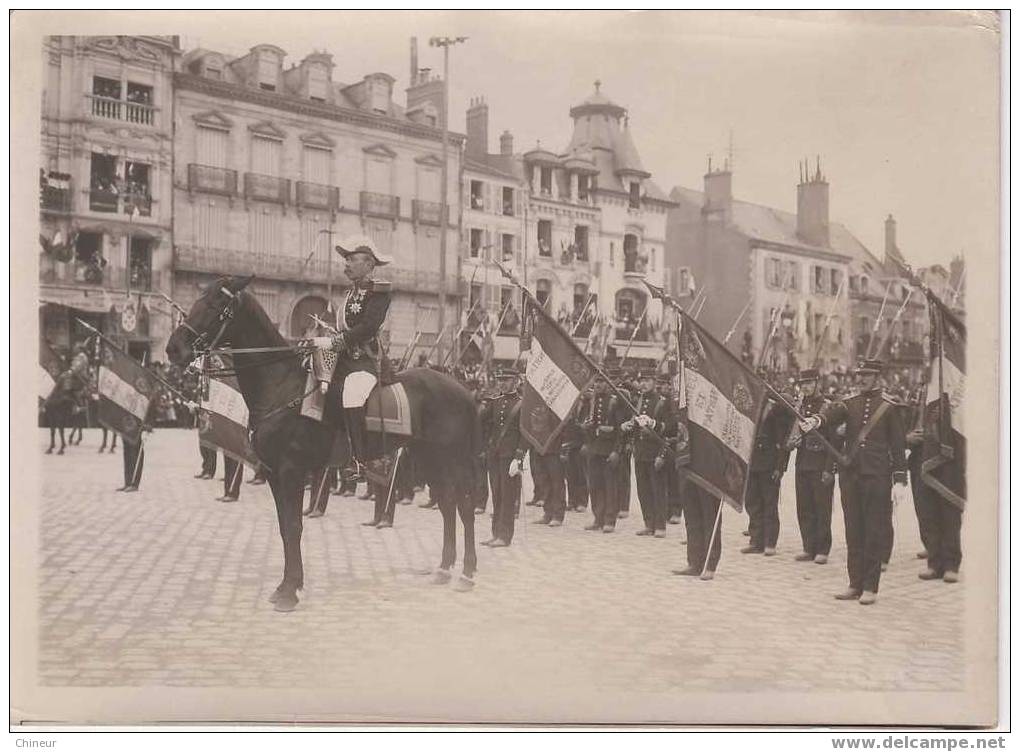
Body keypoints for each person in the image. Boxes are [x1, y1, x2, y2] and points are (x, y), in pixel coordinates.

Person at [800, 359, 908, 605]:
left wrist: (900, 479)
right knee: (853, 530)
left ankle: (870, 586)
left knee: (873, 530)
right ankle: (854, 583)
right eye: (860, 375)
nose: (862, 379)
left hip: (877, 476)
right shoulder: (850, 403)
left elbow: (898, 446)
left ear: (878, 377)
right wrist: (816, 420)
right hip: (852, 476)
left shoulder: (889, 407)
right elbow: (831, 414)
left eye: (867, 375)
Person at [315, 235, 392, 483]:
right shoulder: (350, 294)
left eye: (351, 260)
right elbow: (345, 328)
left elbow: (368, 327)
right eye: (345, 260)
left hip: (365, 361)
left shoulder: (379, 293)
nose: (346, 264)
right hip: (345, 361)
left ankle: (360, 461)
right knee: (314, 382)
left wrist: (338, 341)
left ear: (369, 265)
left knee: (352, 393)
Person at [789, 369, 838, 565]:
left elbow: (834, 441)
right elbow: (794, 434)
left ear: (818, 383)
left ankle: (822, 549)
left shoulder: (827, 408)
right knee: (804, 506)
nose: (806, 387)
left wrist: (829, 468)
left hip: (820, 464)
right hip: (803, 462)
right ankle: (808, 546)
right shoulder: (801, 407)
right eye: (803, 384)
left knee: (822, 507)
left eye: (809, 383)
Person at [622, 370, 676, 538]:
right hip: (640, 452)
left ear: (654, 382)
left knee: (658, 489)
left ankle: (660, 526)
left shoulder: (663, 402)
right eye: (641, 380)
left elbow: (670, 428)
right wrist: (627, 426)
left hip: (656, 452)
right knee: (643, 490)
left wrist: (653, 424)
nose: (643, 384)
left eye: (647, 380)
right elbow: (634, 424)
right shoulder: (637, 401)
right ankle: (649, 523)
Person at [479, 370, 527, 547]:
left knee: (508, 496)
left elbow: (525, 434)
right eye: (500, 380)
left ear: (515, 381)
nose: (502, 384)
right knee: (497, 494)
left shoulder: (522, 404)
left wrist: (519, 457)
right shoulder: (495, 402)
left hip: (510, 457)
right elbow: (480, 421)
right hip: (495, 454)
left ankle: (505, 535)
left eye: (506, 380)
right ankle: (496, 533)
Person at [742, 396, 793, 556]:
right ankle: (756, 540)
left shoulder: (777, 408)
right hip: (753, 461)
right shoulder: (752, 405)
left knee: (769, 502)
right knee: (752, 502)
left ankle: (770, 541)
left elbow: (782, 441)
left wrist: (780, 466)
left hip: (770, 462)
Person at [580, 377, 628, 533]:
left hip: (609, 450)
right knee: (595, 485)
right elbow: (589, 423)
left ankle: (609, 520)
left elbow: (621, 430)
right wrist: (587, 441)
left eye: (601, 382)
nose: (598, 385)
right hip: (595, 449)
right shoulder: (593, 401)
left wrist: (616, 451)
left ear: (607, 383)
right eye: (596, 382)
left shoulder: (614, 401)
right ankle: (598, 518)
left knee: (610, 486)